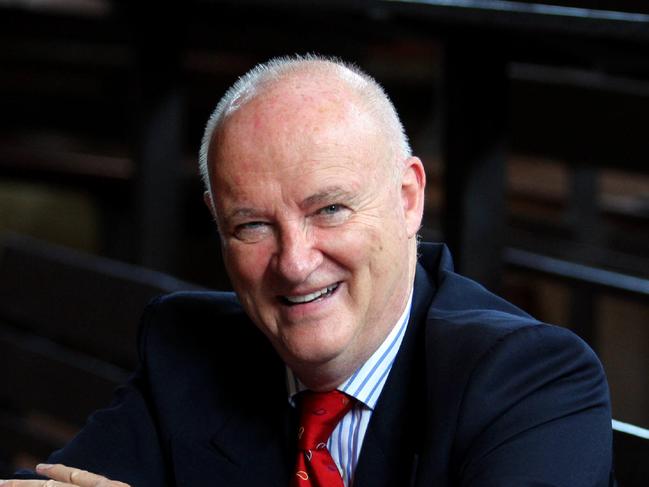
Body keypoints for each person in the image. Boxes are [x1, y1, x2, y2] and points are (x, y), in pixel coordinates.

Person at [7, 55, 613, 487]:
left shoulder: (529, 382)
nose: (295, 263)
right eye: (252, 225)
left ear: (408, 198)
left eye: (329, 210)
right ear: (217, 225)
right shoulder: (188, 346)